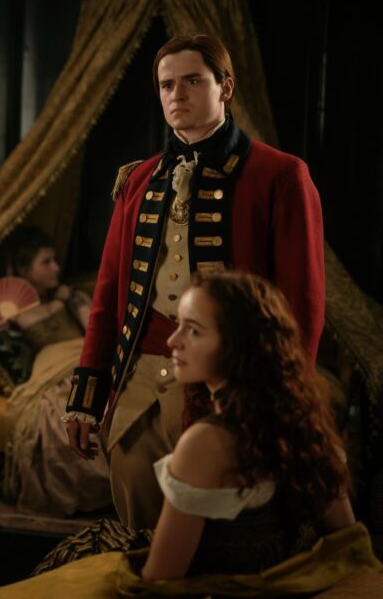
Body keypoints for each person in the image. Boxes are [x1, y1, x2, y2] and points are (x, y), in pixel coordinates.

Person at [64, 34, 326, 529]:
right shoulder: (139, 179)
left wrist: (287, 398)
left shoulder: (280, 175)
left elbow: (303, 302)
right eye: (167, 85)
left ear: (225, 87)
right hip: (140, 383)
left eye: (192, 81)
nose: (176, 94)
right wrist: (87, 398)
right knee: (139, 537)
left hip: (234, 382)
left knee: (222, 540)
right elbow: (108, 294)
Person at [0, 272, 380, 597]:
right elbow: (346, 543)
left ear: (238, 345)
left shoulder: (207, 443)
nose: (173, 341)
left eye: (193, 330)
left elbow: (161, 579)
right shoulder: (304, 425)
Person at [0, 227, 110, 516]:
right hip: (50, 366)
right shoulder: (9, 304)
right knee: (57, 410)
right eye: (46, 262)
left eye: (55, 260)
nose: (56, 268)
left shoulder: (70, 297)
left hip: (79, 356)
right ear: (25, 269)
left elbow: (95, 332)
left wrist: (69, 299)